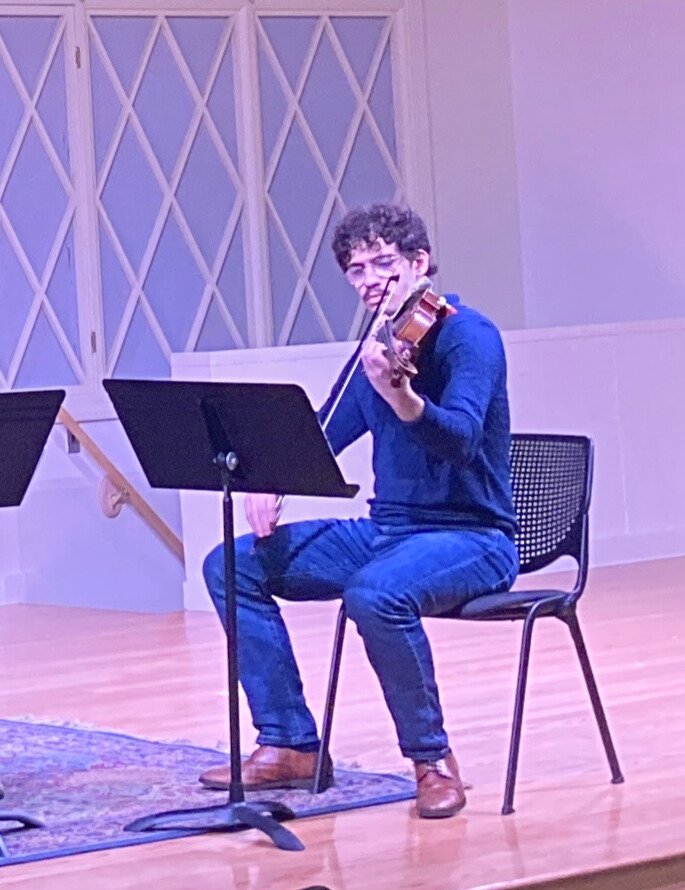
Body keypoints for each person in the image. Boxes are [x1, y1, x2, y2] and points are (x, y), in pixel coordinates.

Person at [199, 204, 517, 818]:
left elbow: (461, 440)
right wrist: (271, 477)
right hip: (389, 531)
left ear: (419, 263)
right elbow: (323, 434)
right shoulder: (382, 342)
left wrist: (401, 396)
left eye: (383, 264)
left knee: (374, 595)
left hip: (473, 536)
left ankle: (432, 761)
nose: (369, 279)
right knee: (231, 565)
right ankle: (291, 742)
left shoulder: (467, 336)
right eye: (356, 269)